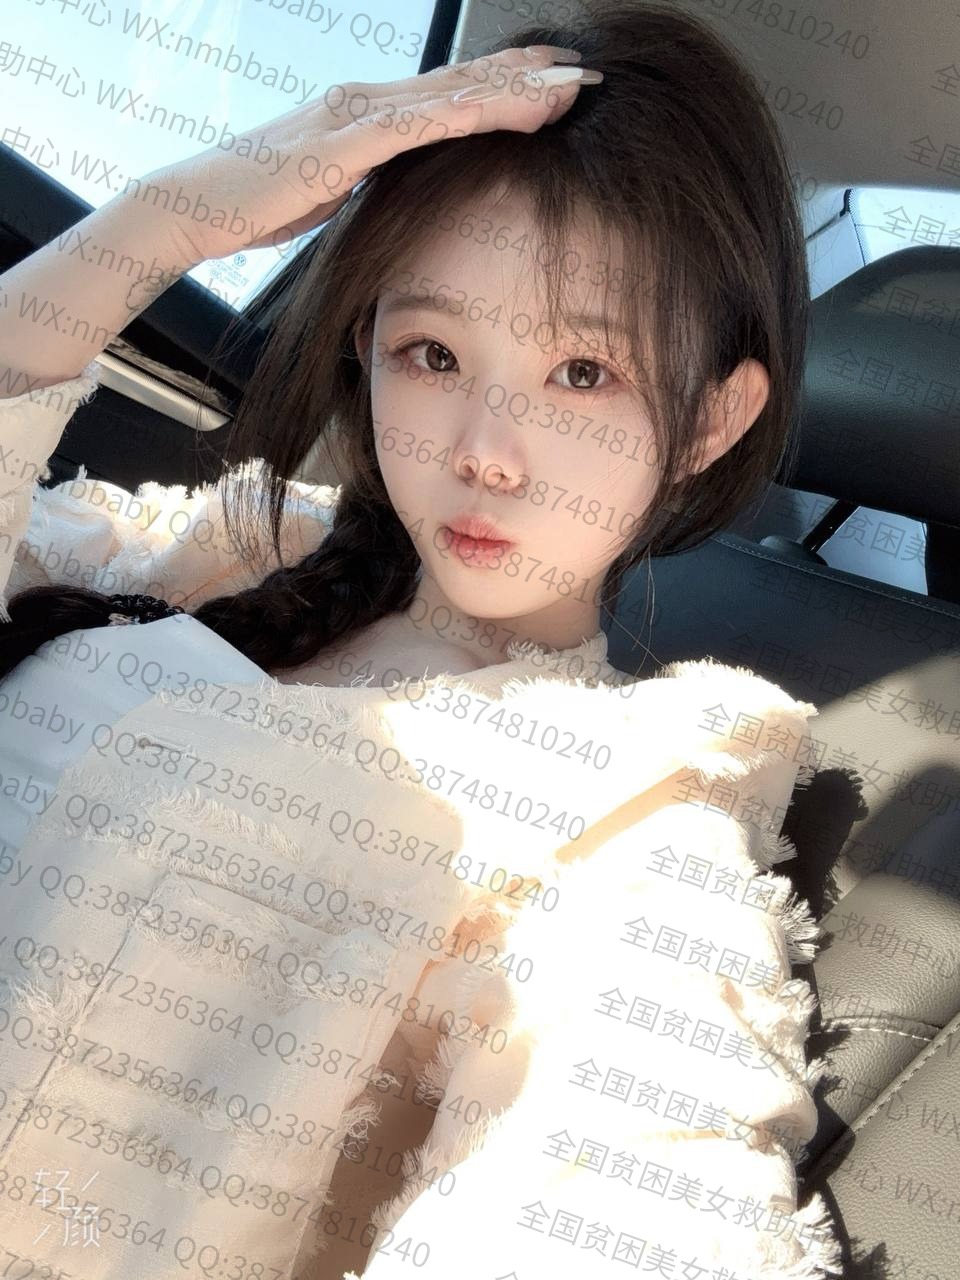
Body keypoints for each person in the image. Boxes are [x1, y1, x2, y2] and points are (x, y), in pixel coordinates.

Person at [0, 3, 842, 1278]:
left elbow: (633, 1188)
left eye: (583, 374)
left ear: (712, 420)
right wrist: (162, 223)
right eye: (433, 352)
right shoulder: (210, 548)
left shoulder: (632, 803)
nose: (483, 452)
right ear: (367, 349)